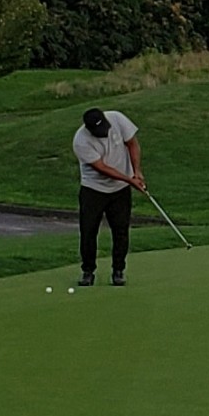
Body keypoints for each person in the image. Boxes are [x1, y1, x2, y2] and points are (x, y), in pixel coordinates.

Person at [72, 105, 143, 287]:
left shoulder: (118, 119)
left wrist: (137, 172)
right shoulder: (81, 141)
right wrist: (130, 179)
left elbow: (132, 144)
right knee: (88, 231)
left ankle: (118, 271)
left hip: (120, 190)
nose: (102, 133)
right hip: (93, 189)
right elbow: (102, 169)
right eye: (97, 131)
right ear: (88, 129)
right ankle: (88, 272)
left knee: (121, 231)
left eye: (103, 128)